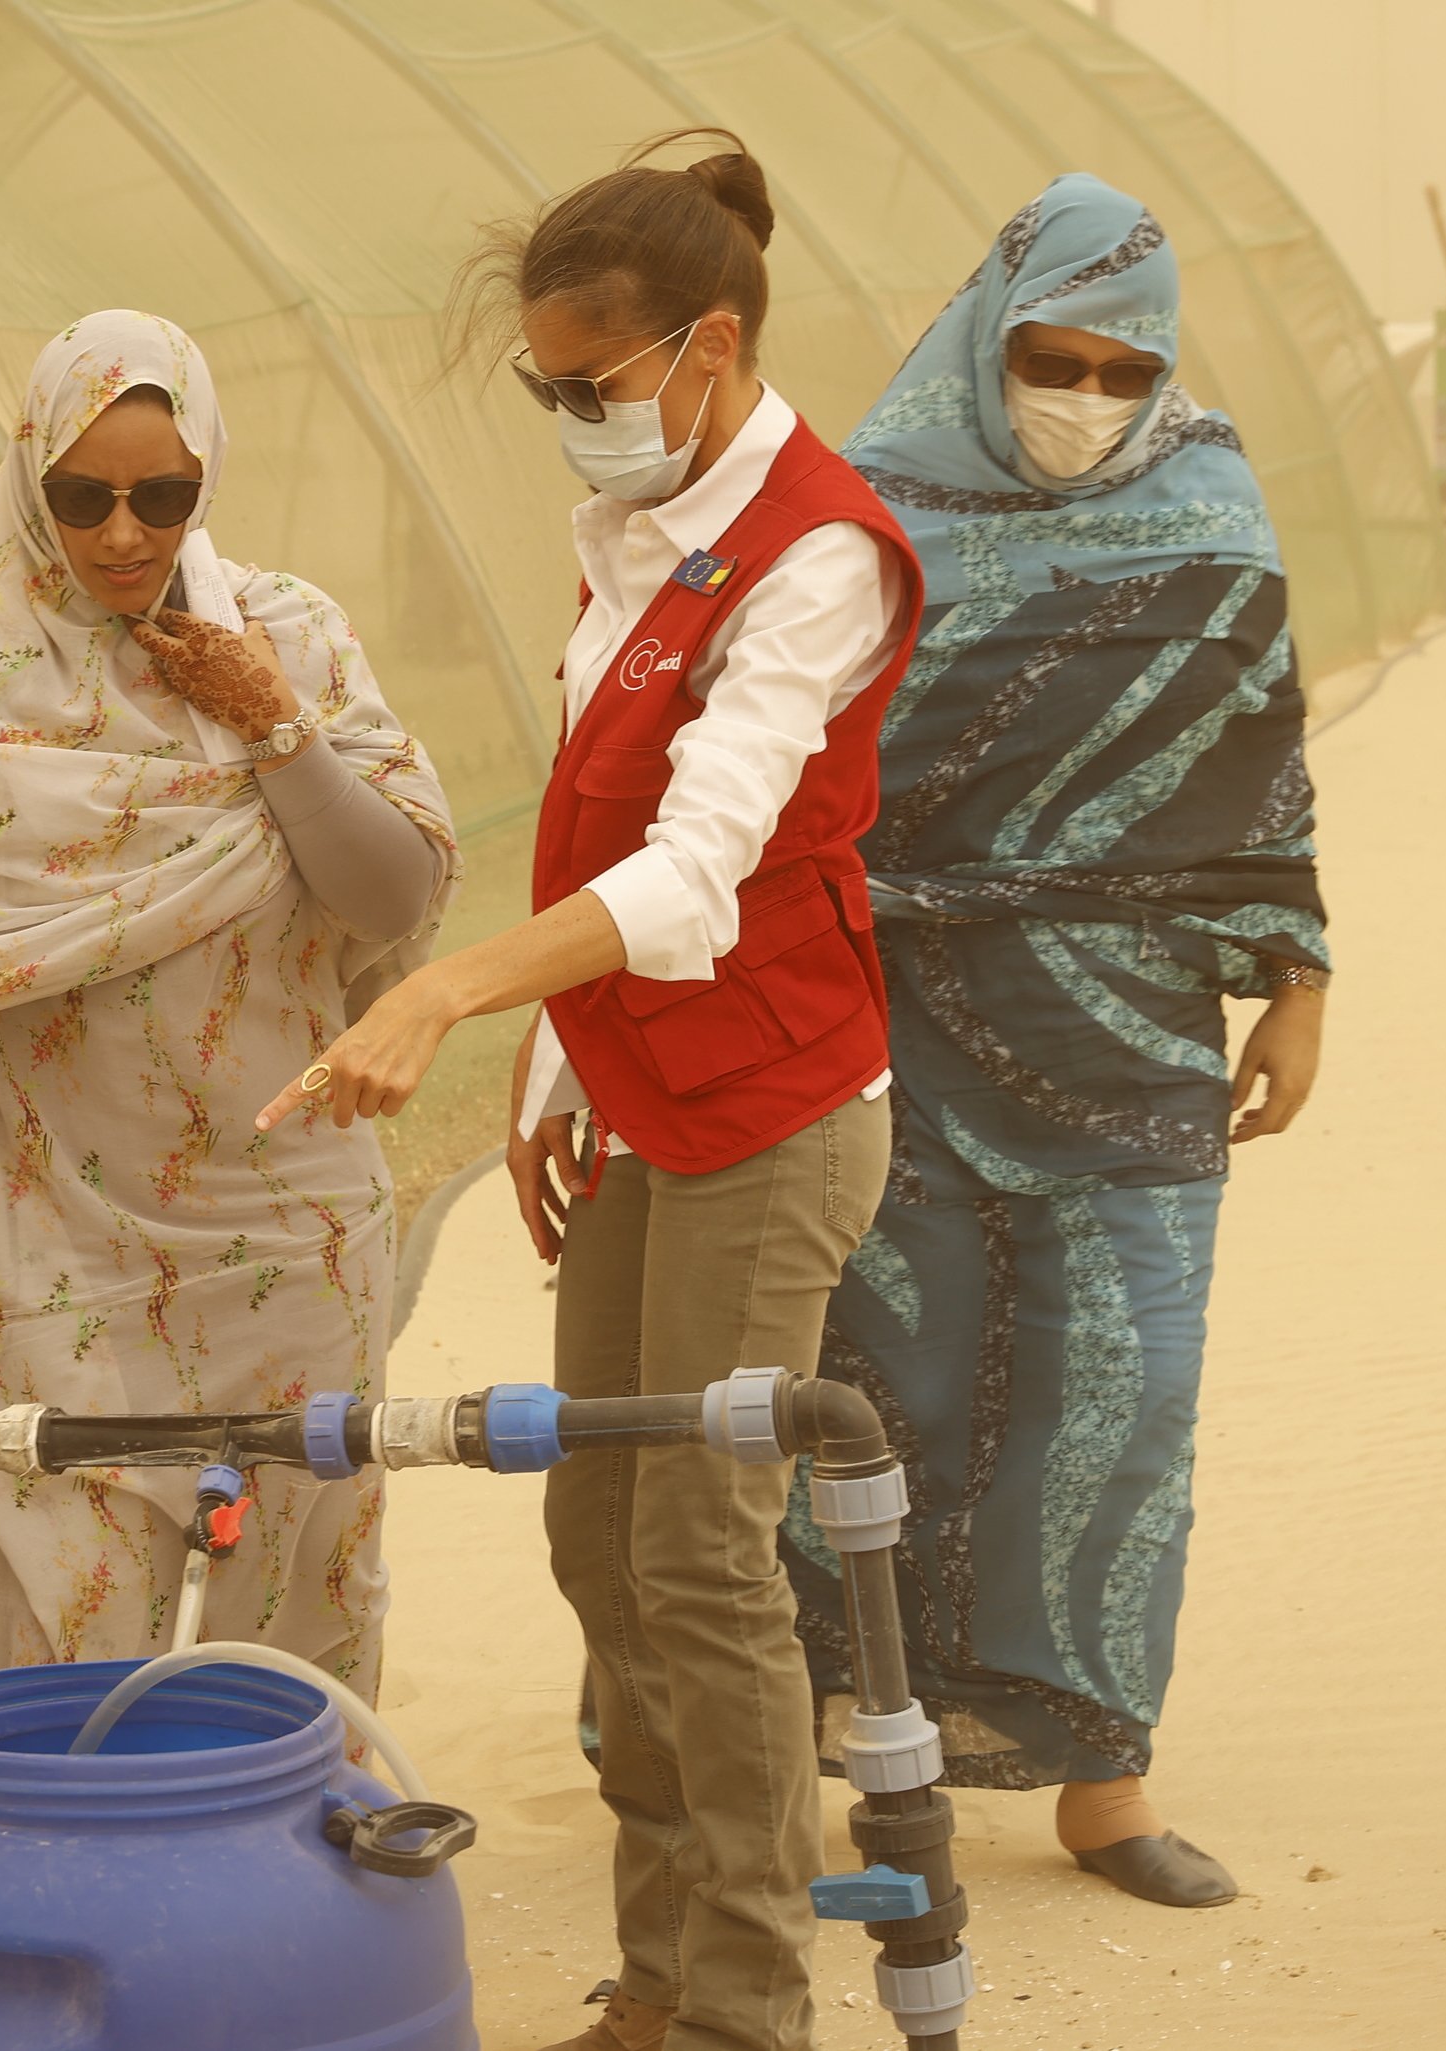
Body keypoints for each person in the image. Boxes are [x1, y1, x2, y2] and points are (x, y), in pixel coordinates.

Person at [260, 135, 922, 2051]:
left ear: (706, 348)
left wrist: (464, 990)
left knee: (702, 1549)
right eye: (546, 387)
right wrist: (565, 1073)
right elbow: (599, 821)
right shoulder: (642, 535)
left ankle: (737, 2004)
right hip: (646, 1092)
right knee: (593, 1532)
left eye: (589, 384)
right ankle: (658, 1973)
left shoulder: (814, 554)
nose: (567, 418)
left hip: (775, 1103)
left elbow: (698, 862)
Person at [0, 311, 456, 1711]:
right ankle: (62, 1902)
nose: (124, 535)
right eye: (84, 497)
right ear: (29, 481)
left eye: (162, 497)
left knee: (299, 1597)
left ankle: (272, 1901)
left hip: (285, 1218)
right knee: (46, 1592)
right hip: (41, 1220)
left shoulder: (293, 637)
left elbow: (389, 893)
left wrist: (275, 728)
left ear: (206, 484)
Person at [784, 175, 1328, 1911]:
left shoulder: (1214, 507)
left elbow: (1257, 749)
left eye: (1118, 363)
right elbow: (787, 782)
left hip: (1131, 1030)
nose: (1082, 390)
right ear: (984, 335)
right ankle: (835, 1742)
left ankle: (1103, 1778)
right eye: (1051, 354)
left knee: (1128, 1393)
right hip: (895, 1022)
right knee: (885, 1392)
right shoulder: (865, 516)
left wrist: (1294, 977)